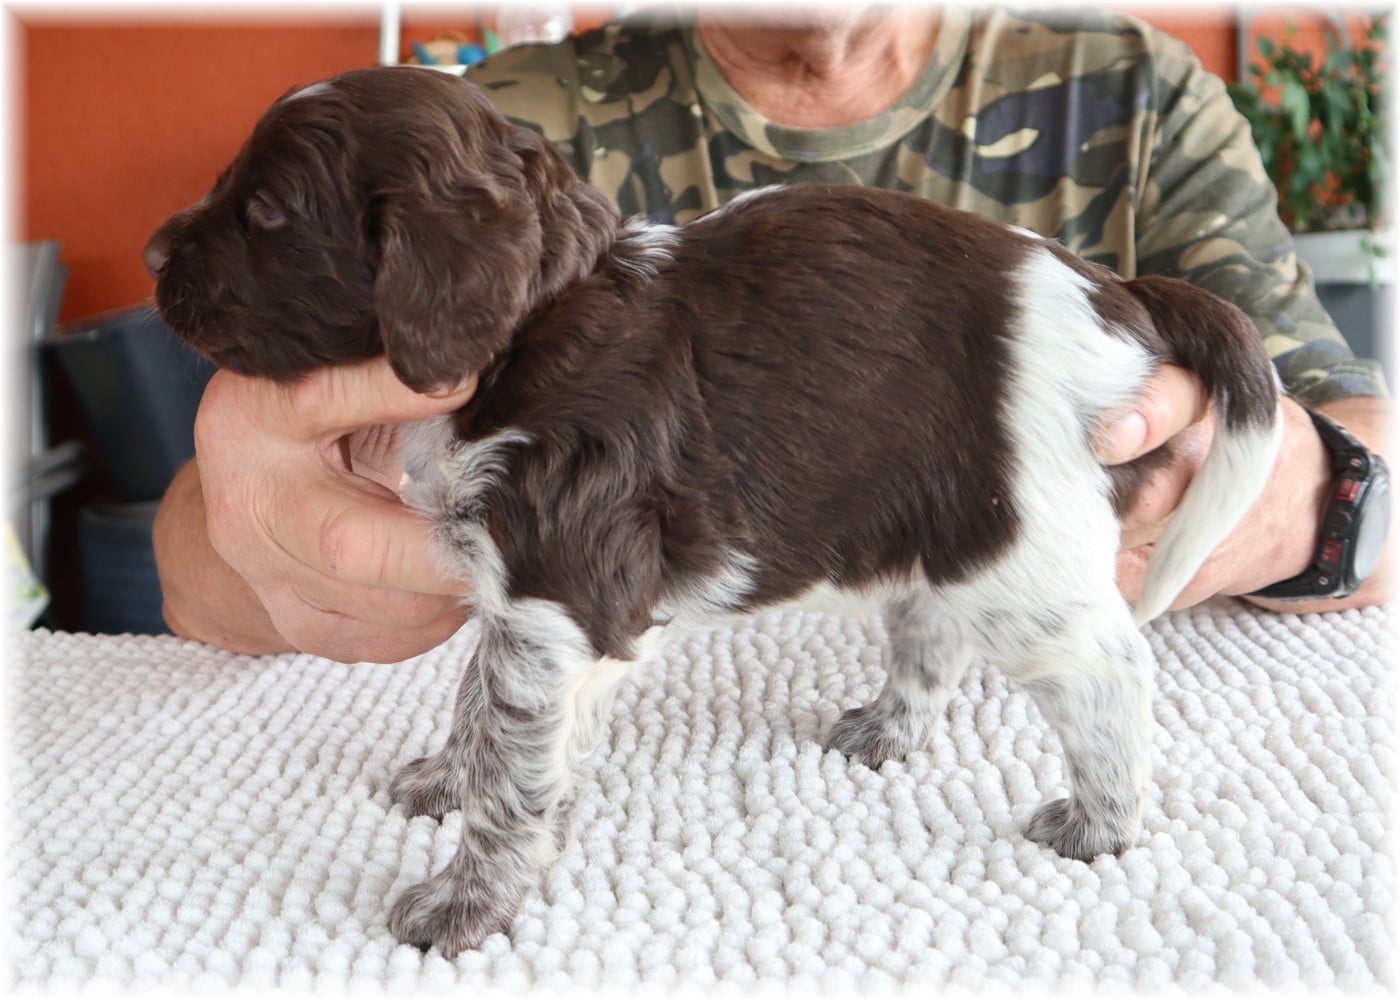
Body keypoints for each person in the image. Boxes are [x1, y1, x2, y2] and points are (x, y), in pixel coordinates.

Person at [151, 6, 1391, 662]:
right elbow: (198, 564)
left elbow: (1357, 431)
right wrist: (242, 530)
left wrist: (1311, 500)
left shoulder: (1136, 94)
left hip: (1030, 664)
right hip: (612, 666)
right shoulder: (498, 126)